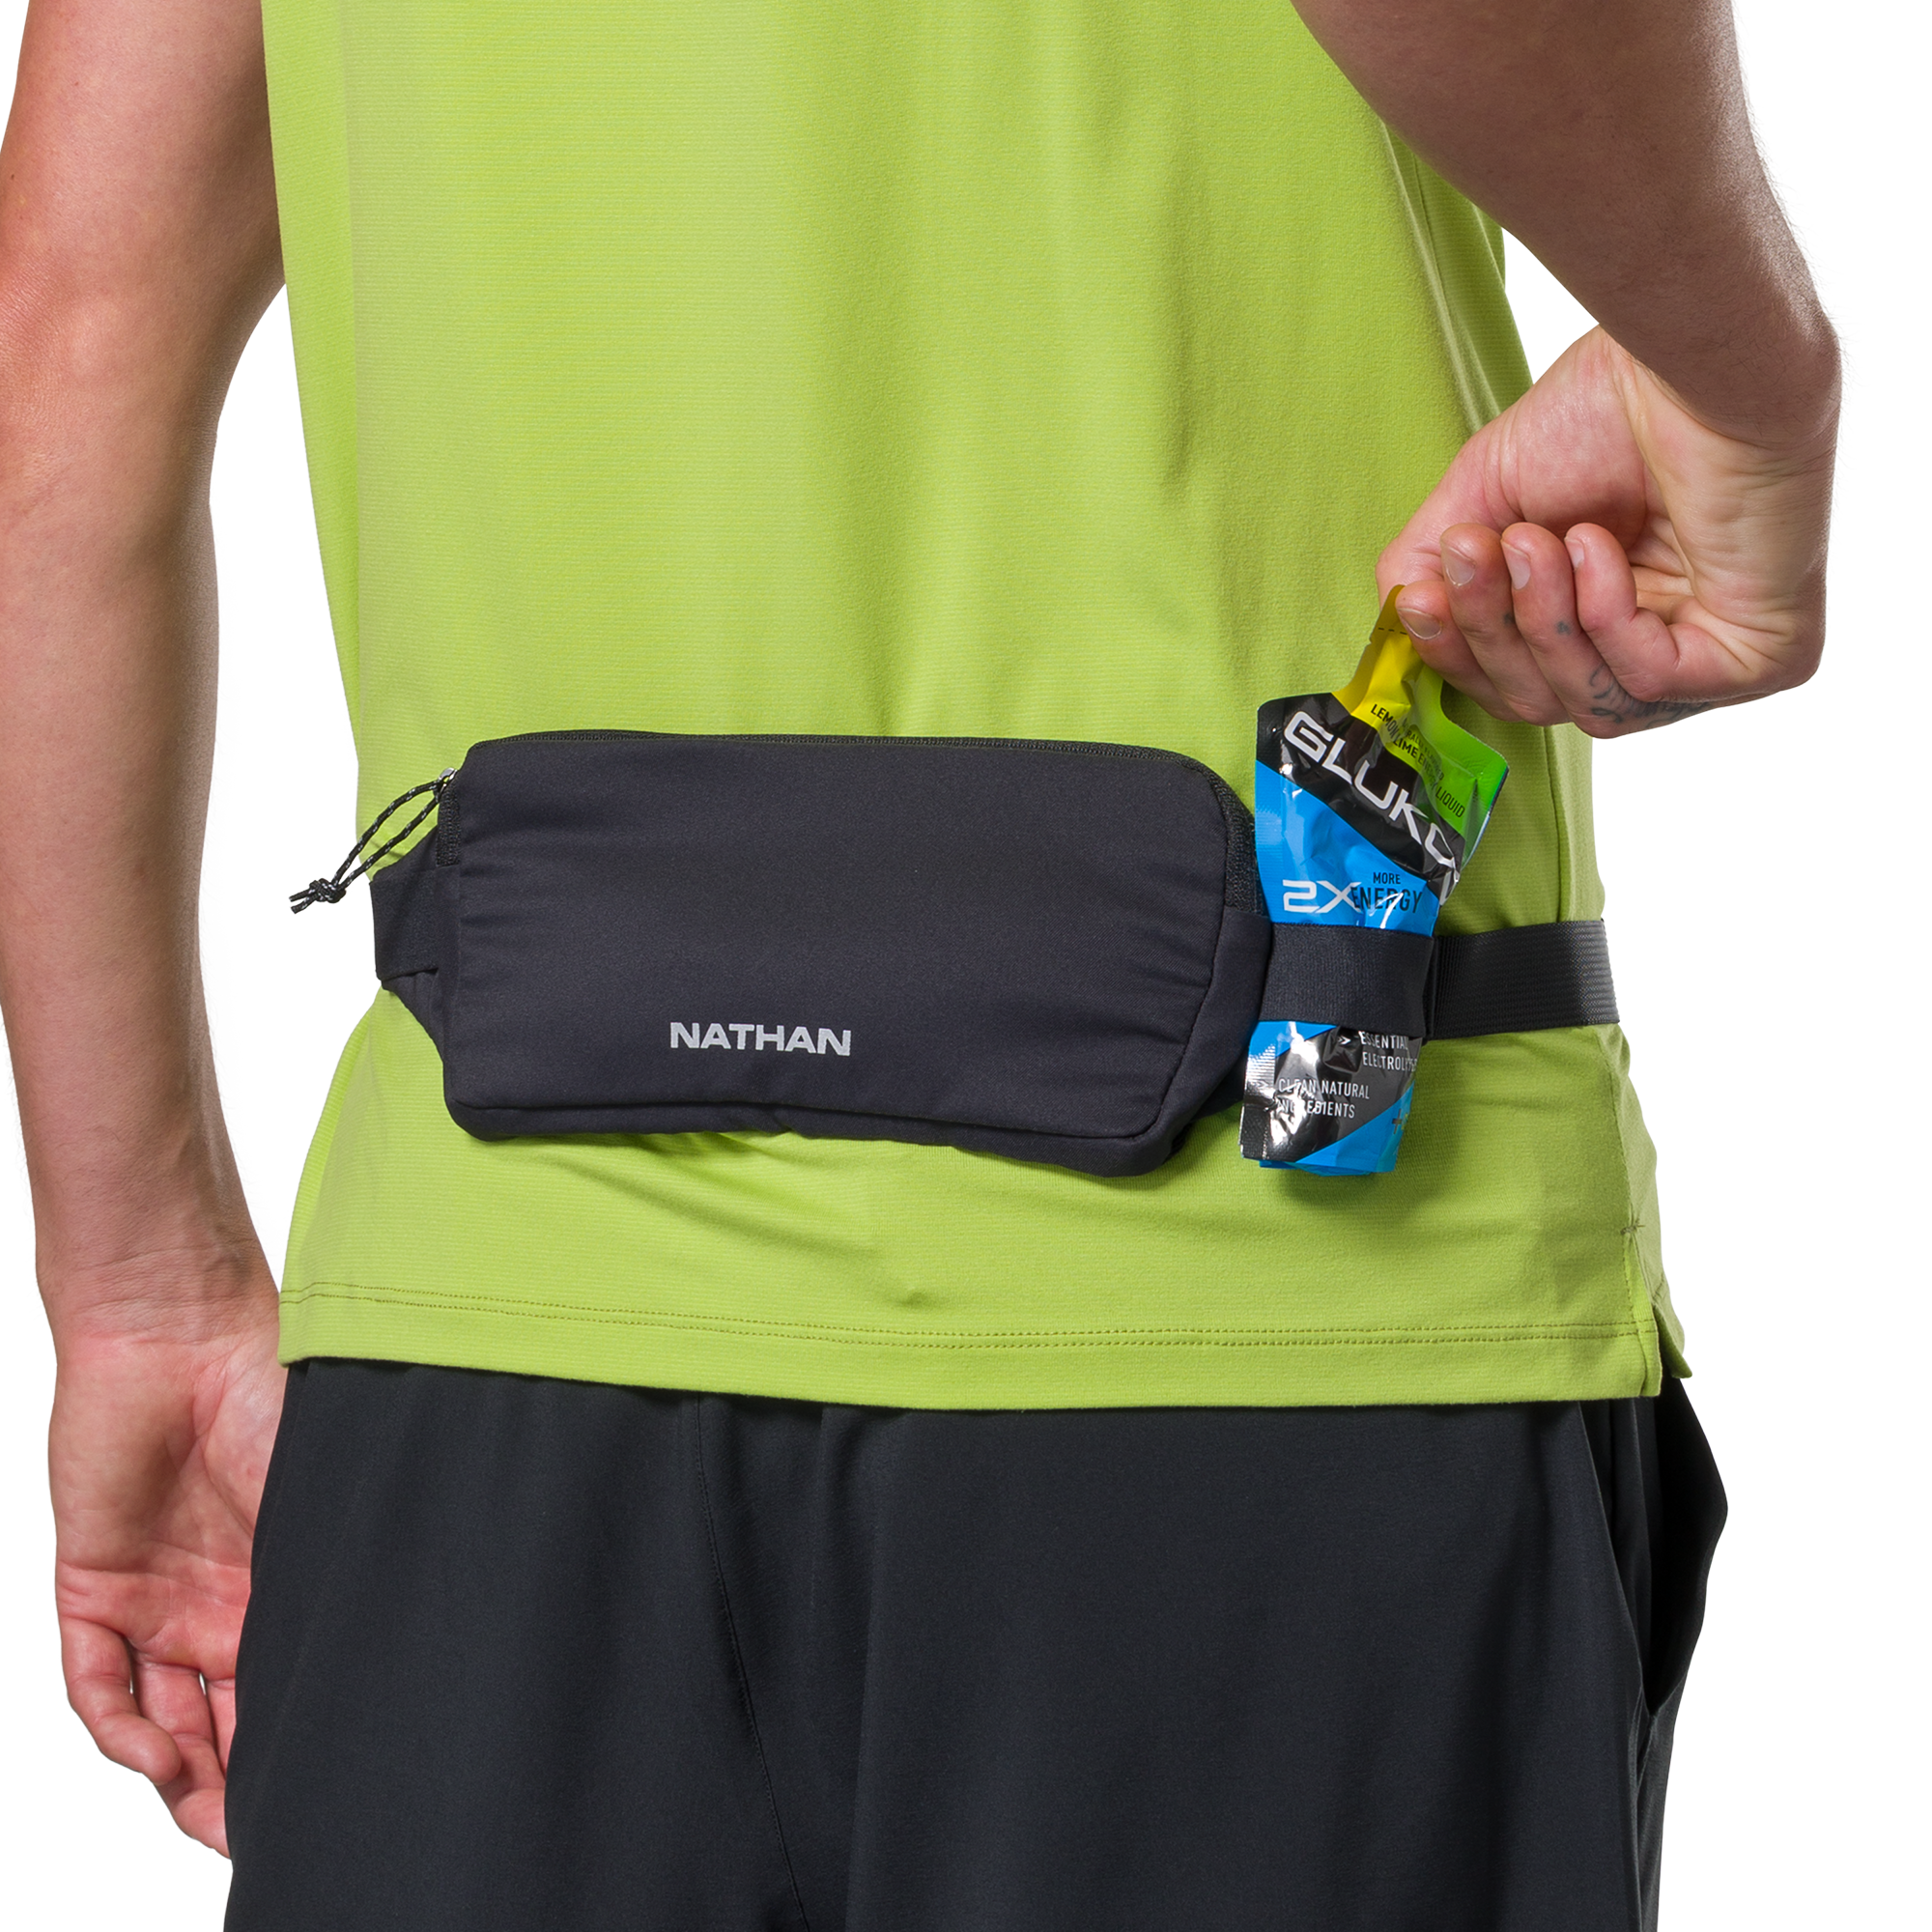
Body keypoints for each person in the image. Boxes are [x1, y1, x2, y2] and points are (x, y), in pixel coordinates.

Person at [0, 0, 1835, 1926]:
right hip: (1266, 1323)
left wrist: (134, 1293)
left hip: (495, 1358)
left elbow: (71, 356)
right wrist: (1748, 374)